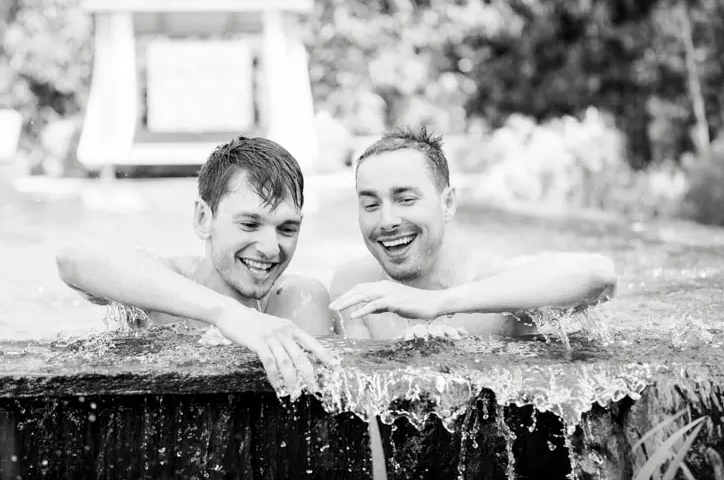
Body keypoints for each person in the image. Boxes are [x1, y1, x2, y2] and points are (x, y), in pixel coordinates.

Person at [56, 137, 336, 396]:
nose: (271, 247)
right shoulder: (161, 287)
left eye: (287, 229)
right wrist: (227, 313)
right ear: (204, 218)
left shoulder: (298, 299)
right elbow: (72, 258)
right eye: (250, 224)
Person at [329, 128, 618, 339]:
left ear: (448, 204)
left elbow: (599, 274)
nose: (387, 220)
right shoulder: (354, 286)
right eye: (371, 204)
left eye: (405, 199)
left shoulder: (495, 284)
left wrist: (436, 303)